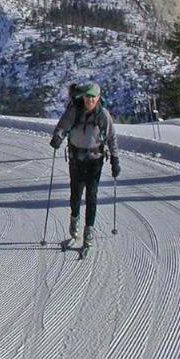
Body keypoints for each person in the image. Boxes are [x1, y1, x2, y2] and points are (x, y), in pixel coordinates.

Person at [49, 82, 120, 247]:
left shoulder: (103, 114)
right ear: (83, 97)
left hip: (95, 160)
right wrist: (57, 137)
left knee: (91, 195)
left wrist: (115, 159)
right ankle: (75, 218)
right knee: (75, 194)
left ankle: (89, 228)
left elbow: (111, 138)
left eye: (94, 97)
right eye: (88, 97)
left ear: (98, 98)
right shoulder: (74, 111)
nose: (90, 100)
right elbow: (62, 126)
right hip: (76, 159)